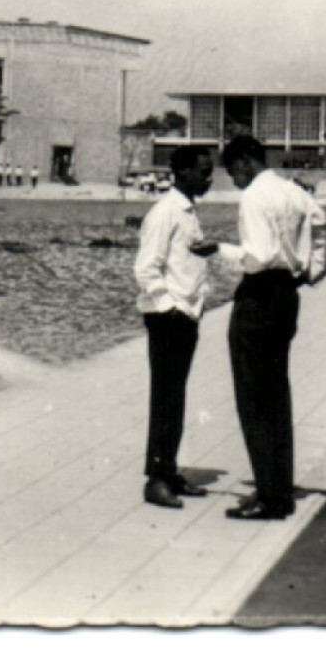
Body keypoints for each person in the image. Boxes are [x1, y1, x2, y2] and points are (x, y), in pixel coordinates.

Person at [215, 135, 326, 520]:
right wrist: (307, 270)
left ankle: (270, 496)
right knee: (276, 394)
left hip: (259, 296)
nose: (233, 180)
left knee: (254, 397)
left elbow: (259, 256)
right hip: (286, 295)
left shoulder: (254, 197)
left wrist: (220, 251)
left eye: (232, 171)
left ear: (245, 162)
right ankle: (278, 484)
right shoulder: (293, 191)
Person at [134, 145, 219, 509]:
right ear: (182, 172)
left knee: (176, 395)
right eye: (202, 171)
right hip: (168, 317)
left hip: (186, 314)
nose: (208, 178)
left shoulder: (187, 212)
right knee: (166, 396)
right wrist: (168, 307)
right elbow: (145, 268)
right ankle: (156, 479)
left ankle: (169, 471)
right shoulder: (165, 212)